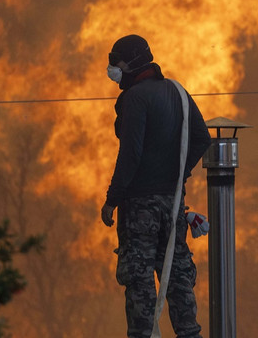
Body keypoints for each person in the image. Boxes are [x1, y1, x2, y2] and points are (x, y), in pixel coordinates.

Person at [100, 34, 211, 338]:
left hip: (140, 208)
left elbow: (130, 154)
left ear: (133, 62)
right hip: (173, 203)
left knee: (140, 283)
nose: (112, 68)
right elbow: (202, 138)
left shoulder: (135, 98)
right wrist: (177, 174)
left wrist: (113, 199)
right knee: (177, 277)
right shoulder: (178, 92)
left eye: (116, 61)